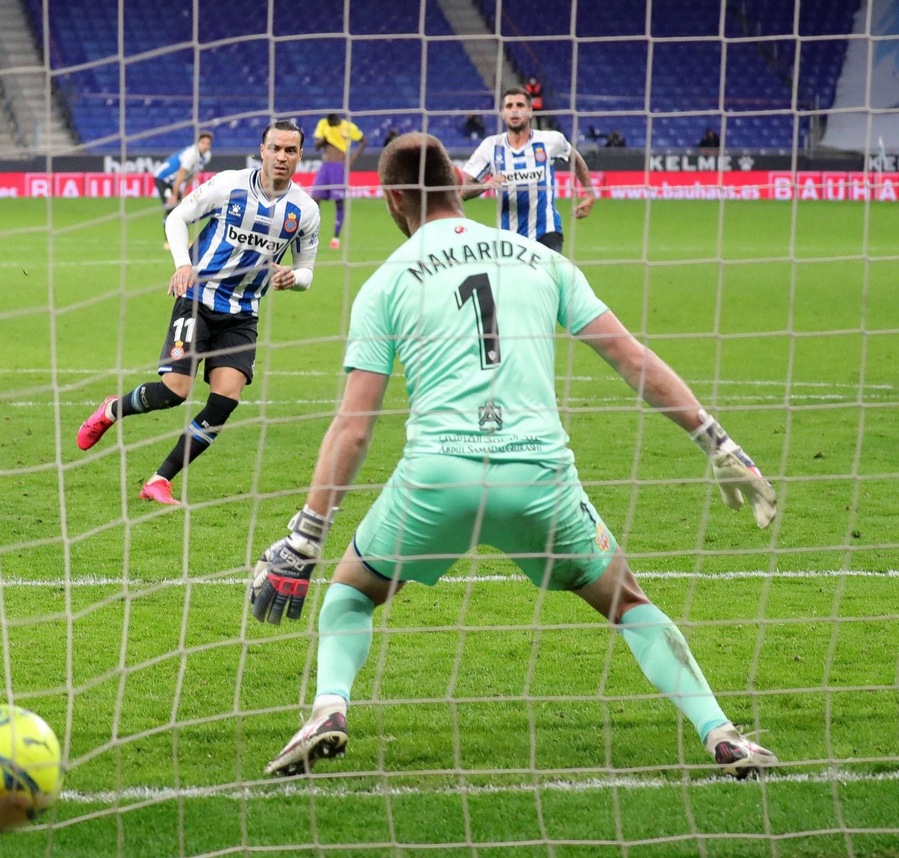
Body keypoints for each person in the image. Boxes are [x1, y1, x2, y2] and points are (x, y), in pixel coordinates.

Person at [249, 131, 781, 781]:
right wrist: (717, 443)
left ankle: (329, 707)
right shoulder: (540, 259)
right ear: (458, 184)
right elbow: (630, 359)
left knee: (351, 596)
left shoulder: (386, 281)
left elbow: (355, 427)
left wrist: (305, 539)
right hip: (539, 479)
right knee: (630, 604)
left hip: (438, 479)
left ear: (392, 199)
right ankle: (720, 734)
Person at [75, 121, 321, 505]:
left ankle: (159, 480)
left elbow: (307, 269)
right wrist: (182, 264)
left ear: (300, 156)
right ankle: (111, 410)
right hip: (198, 298)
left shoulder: (305, 211)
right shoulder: (228, 185)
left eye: (290, 151)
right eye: (276, 148)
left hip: (243, 314)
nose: (282, 157)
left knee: (224, 401)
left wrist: (295, 278)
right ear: (262, 149)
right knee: (176, 392)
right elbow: (176, 218)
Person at [460, 86, 597, 253]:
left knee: (546, 279)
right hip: (508, 238)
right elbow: (464, 191)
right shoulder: (490, 146)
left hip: (546, 232)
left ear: (531, 111)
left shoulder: (551, 140)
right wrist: (485, 185)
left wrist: (590, 194)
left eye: (520, 105)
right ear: (503, 113)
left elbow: (575, 159)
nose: (515, 111)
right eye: (509, 107)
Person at [311, 113, 364, 250]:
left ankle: (336, 238)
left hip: (339, 167)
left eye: (332, 123)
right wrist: (323, 141)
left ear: (337, 121)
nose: (329, 125)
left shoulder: (348, 127)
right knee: (314, 200)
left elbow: (364, 141)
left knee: (339, 201)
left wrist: (351, 160)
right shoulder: (323, 124)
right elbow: (317, 145)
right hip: (326, 166)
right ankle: (311, 234)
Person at [155, 131, 214, 249]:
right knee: (171, 209)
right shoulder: (190, 155)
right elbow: (180, 176)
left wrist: (185, 192)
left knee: (181, 209)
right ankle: (168, 242)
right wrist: (174, 195)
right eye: (203, 143)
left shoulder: (206, 156)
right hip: (163, 179)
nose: (205, 146)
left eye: (208, 143)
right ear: (197, 143)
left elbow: (192, 175)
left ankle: (182, 240)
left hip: (174, 182)